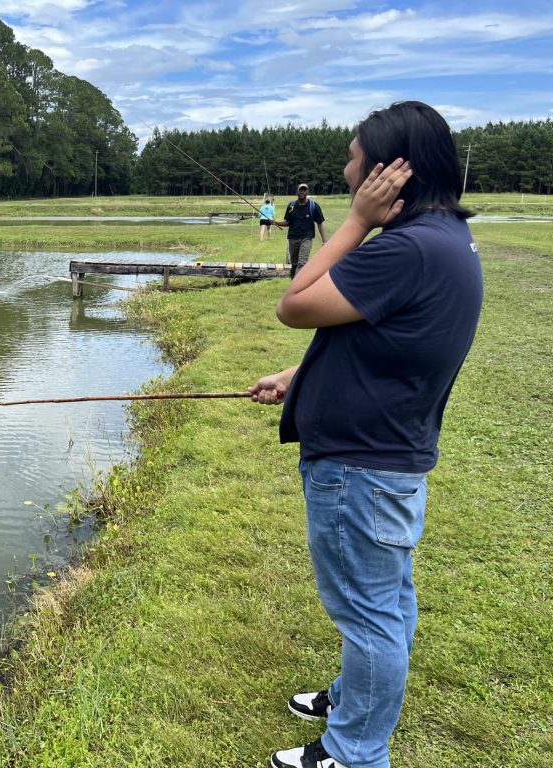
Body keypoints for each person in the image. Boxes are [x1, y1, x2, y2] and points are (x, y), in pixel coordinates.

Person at [248, 101, 483, 768]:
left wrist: (354, 224)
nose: (345, 171)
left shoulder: (404, 249)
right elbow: (392, 342)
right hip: (389, 457)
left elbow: (294, 304)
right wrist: (303, 376)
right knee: (387, 596)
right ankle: (357, 697)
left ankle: (353, 751)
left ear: (385, 173)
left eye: (353, 161)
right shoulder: (444, 239)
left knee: (369, 611)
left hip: (360, 467)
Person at [276, 183, 328, 278]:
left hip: (307, 238)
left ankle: (297, 288)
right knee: (294, 265)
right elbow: (288, 222)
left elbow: (320, 223)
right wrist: (276, 222)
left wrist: (324, 241)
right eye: (300, 190)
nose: (302, 192)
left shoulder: (314, 206)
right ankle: (293, 284)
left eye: (304, 190)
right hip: (293, 238)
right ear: (297, 191)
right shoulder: (291, 206)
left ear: (307, 192)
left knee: (302, 263)